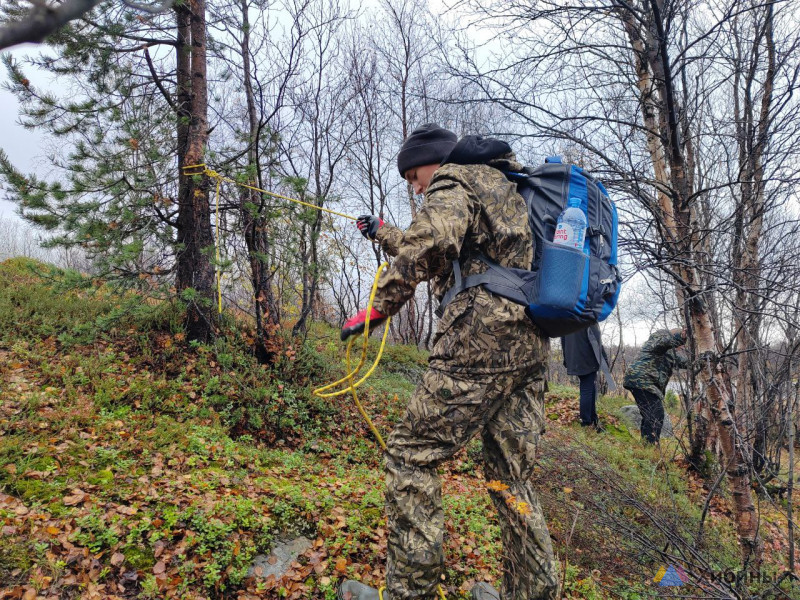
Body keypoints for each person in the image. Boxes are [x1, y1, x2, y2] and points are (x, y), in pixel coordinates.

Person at [339, 124, 560, 600]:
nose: (414, 186)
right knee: (510, 480)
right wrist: (384, 235)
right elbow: (453, 250)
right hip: (529, 350)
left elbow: (435, 241)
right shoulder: (502, 183)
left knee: (407, 458)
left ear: (433, 161)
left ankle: (409, 594)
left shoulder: (453, 179)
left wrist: (379, 306)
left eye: (413, 175)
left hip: (478, 345)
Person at [622, 328, 688, 444]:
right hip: (641, 380)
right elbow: (662, 343)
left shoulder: (670, 354)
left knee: (649, 414)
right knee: (656, 414)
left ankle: (646, 445)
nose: (682, 348)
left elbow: (688, 363)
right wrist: (680, 338)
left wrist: (707, 360)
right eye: (681, 345)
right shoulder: (658, 339)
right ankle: (650, 446)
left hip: (644, 383)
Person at [561, 323, 610, 431]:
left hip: (574, 359)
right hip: (587, 359)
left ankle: (593, 419)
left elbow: (563, 339)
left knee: (590, 389)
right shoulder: (588, 317)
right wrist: (604, 360)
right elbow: (597, 342)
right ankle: (586, 423)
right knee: (587, 390)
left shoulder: (568, 317)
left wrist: (566, 359)